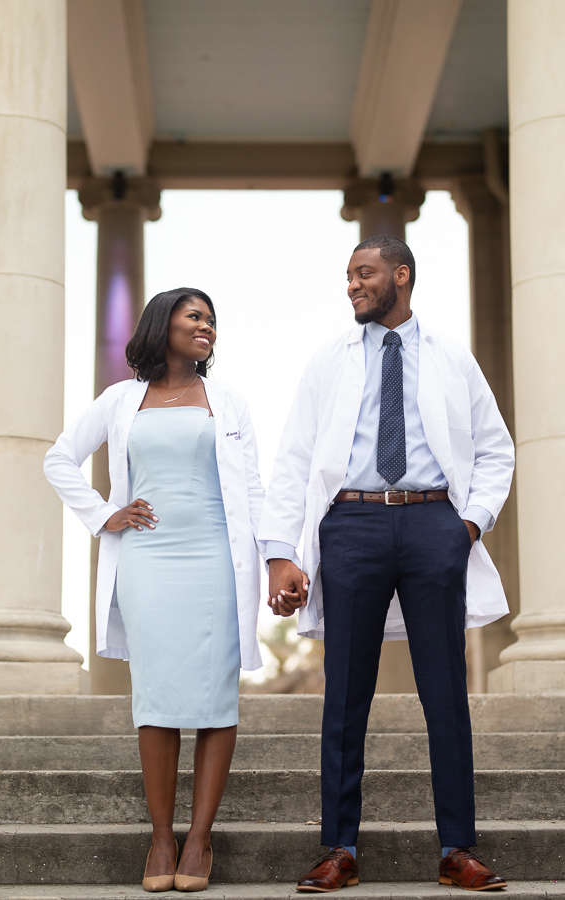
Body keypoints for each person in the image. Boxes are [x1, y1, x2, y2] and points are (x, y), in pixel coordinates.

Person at [258, 236, 514, 893]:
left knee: (444, 691)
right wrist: (281, 553)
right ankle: (339, 848)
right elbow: (293, 458)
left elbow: (495, 449)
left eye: (364, 273)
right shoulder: (329, 361)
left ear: (401, 275)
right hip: (352, 523)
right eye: (348, 276)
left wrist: (468, 524)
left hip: (435, 522)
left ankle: (457, 849)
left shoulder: (452, 359)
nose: (352, 285)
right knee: (344, 692)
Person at [44, 288, 266, 893]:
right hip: (148, 559)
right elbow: (58, 458)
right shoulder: (121, 399)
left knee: (218, 695)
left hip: (217, 558)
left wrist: (274, 557)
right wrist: (103, 513)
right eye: (194, 316)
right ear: (161, 323)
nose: (206, 327)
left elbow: (253, 488)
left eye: (212, 320)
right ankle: (161, 835)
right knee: (158, 696)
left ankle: (199, 838)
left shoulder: (228, 401)